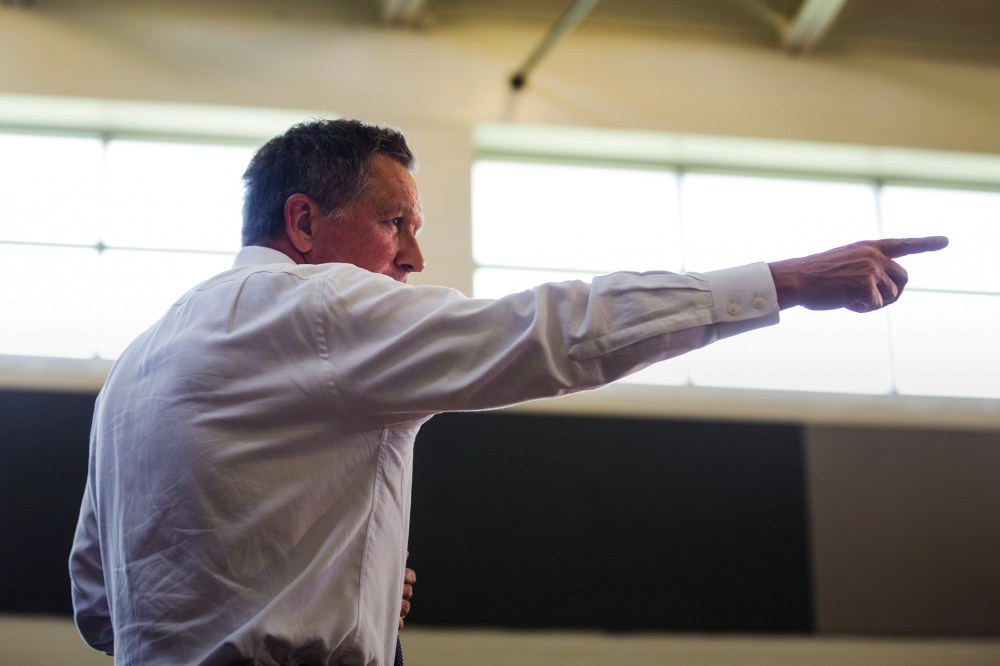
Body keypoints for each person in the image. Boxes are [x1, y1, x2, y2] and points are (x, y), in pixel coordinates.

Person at [69, 118, 947, 666]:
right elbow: (551, 331)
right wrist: (785, 281)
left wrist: (332, 590)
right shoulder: (320, 307)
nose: (414, 258)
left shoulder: (137, 365)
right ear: (303, 222)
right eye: (394, 223)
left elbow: (100, 608)